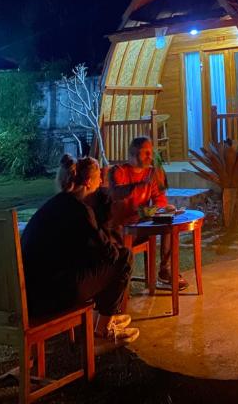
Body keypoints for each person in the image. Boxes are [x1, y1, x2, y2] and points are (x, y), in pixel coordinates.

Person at [22, 155, 140, 344]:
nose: (102, 181)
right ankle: (104, 328)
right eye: (99, 177)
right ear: (88, 182)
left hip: (29, 296)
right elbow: (110, 254)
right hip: (51, 296)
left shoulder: (54, 204)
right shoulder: (81, 211)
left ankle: (102, 317)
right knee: (124, 258)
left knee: (95, 262)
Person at [109, 136, 189, 290]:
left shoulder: (151, 174)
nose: (149, 157)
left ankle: (165, 271)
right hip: (121, 228)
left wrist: (161, 209)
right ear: (132, 154)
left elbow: (159, 199)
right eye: (145, 153)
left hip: (141, 224)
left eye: (150, 152)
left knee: (169, 222)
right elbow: (115, 193)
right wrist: (139, 187)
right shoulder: (119, 171)